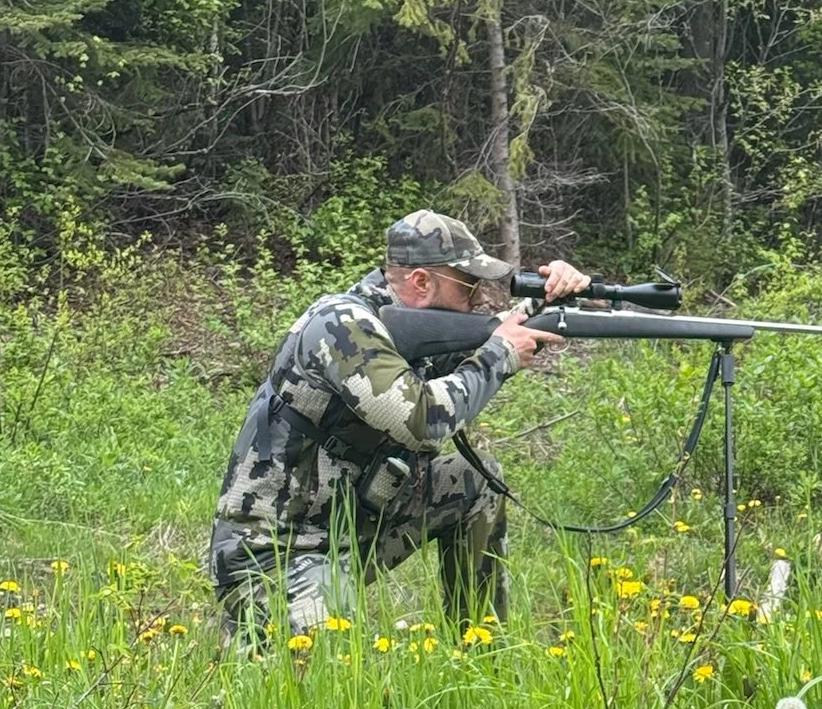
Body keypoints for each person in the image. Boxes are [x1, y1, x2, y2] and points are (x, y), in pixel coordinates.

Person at [208, 210, 588, 641]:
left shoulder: (411, 329)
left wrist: (550, 302)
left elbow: (483, 344)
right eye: (469, 285)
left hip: (348, 533)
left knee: (475, 481)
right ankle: (253, 627)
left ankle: (479, 650)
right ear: (421, 283)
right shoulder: (342, 326)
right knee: (329, 669)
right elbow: (422, 421)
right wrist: (499, 355)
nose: (479, 298)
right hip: (273, 550)